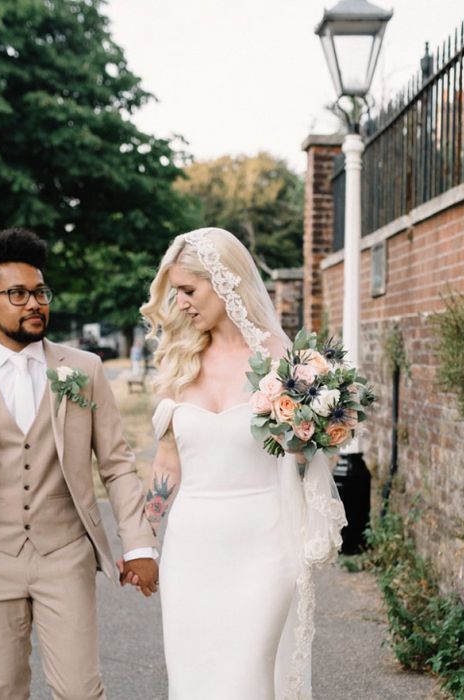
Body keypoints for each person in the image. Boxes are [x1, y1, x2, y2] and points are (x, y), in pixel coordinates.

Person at [0, 228, 158, 700]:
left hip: (64, 555)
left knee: (80, 691)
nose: (34, 303)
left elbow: (116, 464)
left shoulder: (84, 368)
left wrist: (140, 545)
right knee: (2, 691)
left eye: (40, 292)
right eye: (18, 294)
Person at [139, 227, 347, 699]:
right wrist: (141, 538)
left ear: (224, 279)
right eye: (175, 294)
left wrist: (313, 429)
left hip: (265, 545)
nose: (183, 304)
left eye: (189, 290)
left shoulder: (285, 361)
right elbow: (166, 465)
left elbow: (312, 454)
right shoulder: (179, 360)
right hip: (191, 550)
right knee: (195, 679)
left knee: (248, 677)